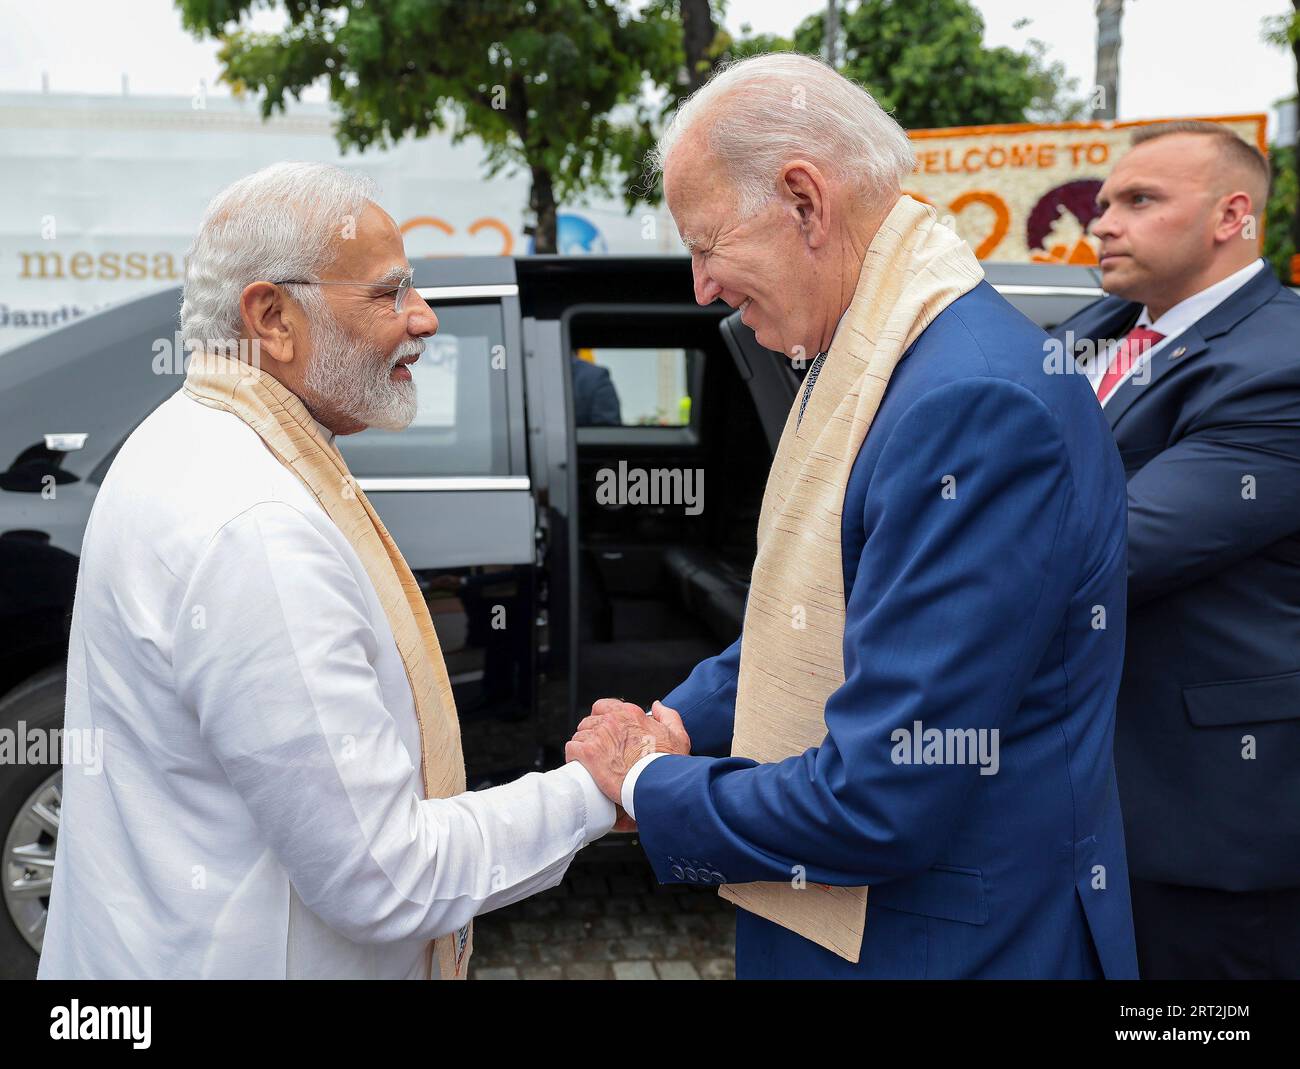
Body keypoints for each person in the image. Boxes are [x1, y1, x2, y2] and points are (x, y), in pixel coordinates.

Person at [567, 52, 1139, 980]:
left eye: (707, 244)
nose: (702, 286)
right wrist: (677, 719)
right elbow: (820, 613)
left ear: (805, 201)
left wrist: (645, 783)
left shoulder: (970, 404)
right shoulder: (876, 352)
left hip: (943, 945)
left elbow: (887, 793)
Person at [37, 162, 677, 980]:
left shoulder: (184, 435)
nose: (425, 318)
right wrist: (599, 788)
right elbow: (384, 877)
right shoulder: (257, 528)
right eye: (389, 293)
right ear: (272, 317)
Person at [1051, 121, 1300, 979]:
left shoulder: (1284, 360)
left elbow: (1112, 552)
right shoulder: (1093, 327)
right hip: (1083, 784)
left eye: (1140, 200)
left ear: (1233, 214)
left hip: (1209, 810)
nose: (1104, 222)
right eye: (1105, 202)